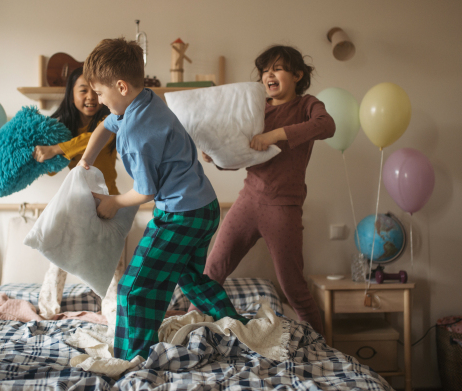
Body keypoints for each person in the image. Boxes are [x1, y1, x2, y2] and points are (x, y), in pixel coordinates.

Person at [79, 38, 249, 361]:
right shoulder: (144, 101)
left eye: (100, 93)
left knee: (133, 289)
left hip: (180, 214)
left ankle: (132, 359)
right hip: (205, 209)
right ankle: (238, 326)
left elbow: (145, 191)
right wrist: (85, 159)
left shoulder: (136, 131)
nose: (99, 100)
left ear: (121, 86)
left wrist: (113, 202)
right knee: (191, 278)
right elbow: (105, 126)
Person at [189, 45, 335, 336]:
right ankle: (185, 329)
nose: (269, 74)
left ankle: (322, 347)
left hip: (284, 208)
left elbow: (326, 125)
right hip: (247, 201)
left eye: (277, 68)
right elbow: (241, 155)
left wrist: (275, 135)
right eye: (265, 70)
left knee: (293, 287)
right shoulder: (257, 110)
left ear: (298, 75)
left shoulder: (307, 105)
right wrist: (216, 157)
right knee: (211, 272)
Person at [32, 66, 119, 195]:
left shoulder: (110, 120)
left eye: (96, 91)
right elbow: (52, 171)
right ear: (71, 96)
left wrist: (55, 149)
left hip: (110, 196)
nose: (91, 96)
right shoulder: (63, 129)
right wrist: (40, 155)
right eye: (83, 90)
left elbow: (96, 138)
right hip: (81, 198)